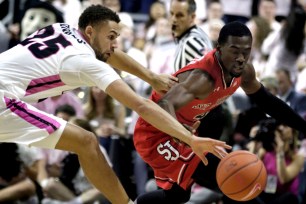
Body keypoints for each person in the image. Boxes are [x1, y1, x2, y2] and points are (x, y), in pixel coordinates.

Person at [0, 5, 231, 204]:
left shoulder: (61, 29)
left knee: (85, 141)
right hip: (3, 99)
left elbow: (110, 53)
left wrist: (151, 77)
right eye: (111, 37)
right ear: (90, 32)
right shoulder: (85, 61)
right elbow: (141, 106)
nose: (114, 44)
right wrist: (190, 139)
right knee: (87, 141)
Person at [133, 21, 306, 204]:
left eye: (246, 51)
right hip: (154, 131)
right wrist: (181, 132)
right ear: (219, 49)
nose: (241, 57)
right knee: (234, 178)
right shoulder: (203, 78)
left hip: (187, 130)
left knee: (179, 195)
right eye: (234, 50)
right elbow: (164, 103)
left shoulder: (244, 72)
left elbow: (268, 102)